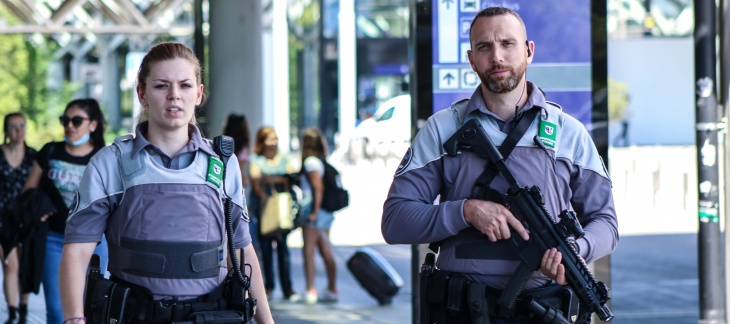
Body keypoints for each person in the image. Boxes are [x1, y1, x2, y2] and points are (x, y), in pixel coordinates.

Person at [381, 7, 618, 323]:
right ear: (471, 58)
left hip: (545, 310)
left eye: (508, 44)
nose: (497, 57)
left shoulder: (568, 132)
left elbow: (606, 221)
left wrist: (575, 250)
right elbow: (395, 220)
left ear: (529, 51)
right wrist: (465, 211)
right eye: (485, 47)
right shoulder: (443, 129)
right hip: (462, 308)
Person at [58, 42, 273, 324]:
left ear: (199, 94)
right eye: (161, 86)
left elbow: (242, 251)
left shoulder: (222, 163)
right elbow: (76, 250)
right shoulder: (111, 163)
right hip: (134, 316)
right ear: (142, 94)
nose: (174, 96)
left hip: (210, 315)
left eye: (185, 85)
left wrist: (266, 321)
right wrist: (74, 319)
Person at [22, 99, 110, 324]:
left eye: (77, 120)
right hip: (53, 238)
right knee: (56, 307)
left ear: (93, 124)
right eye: (65, 120)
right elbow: (29, 189)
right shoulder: (50, 151)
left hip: (96, 241)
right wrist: (39, 206)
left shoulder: (105, 156)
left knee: (93, 304)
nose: (69, 125)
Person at [249, 126, 297, 301]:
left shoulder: (284, 158)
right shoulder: (257, 160)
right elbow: (255, 182)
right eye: (270, 139)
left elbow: (293, 177)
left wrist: (272, 179)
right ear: (262, 142)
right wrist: (279, 180)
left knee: (283, 249)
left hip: (283, 209)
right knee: (266, 249)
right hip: (264, 210)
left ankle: (287, 287)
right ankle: (269, 285)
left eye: (275, 139)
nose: (273, 143)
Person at [0, 112, 36, 324]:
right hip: (3, 219)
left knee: (25, 265)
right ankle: (12, 312)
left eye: (22, 125)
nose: (18, 130)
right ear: (6, 130)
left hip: (26, 218)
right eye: (13, 126)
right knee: (10, 264)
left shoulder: (33, 156)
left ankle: (23, 308)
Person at [297, 127, 338, 304]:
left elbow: (317, 187)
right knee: (324, 249)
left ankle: (310, 289)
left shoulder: (311, 162)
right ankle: (331, 288)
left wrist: (313, 213)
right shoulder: (320, 161)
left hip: (315, 210)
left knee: (309, 250)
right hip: (325, 211)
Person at [222, 114, 257, 253]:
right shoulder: (242, 148)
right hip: (236, 191)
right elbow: (239, 174)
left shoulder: (223, 145)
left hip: (223, 187)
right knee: (241, 222)